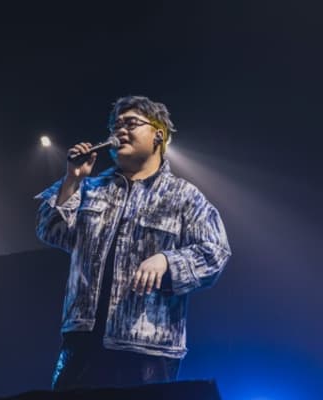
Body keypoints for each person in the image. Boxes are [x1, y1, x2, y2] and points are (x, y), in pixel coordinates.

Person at [34, 95, 231, 391]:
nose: (120, 131)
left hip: (147, 349)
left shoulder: (183, 196)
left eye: (131, 123)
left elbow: (216, 252)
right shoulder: (90, 188)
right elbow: (50, 230)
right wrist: (72, 179)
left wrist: (167, 261)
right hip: (82, 342)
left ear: (158, 135)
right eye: (116, 126)